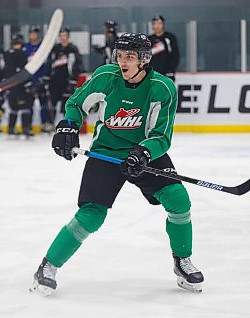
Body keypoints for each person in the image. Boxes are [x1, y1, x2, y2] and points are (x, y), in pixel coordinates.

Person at [31, 33, 203, 296]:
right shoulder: (106, 77)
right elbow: (76, 103)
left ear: (144, 60)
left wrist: (143, 152)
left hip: (145, 152)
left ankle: (182, 260)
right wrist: (68, 127)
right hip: (106, 152)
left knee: (178, 200)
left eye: (130, 57)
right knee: (92, 214)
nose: (123, 61)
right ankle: (48, 266)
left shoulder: (162, 87)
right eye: (120, 55)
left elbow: (161, 135)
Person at [45, 27, 83, 132]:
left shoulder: (72, 49)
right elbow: (49, 64)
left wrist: (74, 80)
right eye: (61, 36)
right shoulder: (55, 49)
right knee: (52, 102)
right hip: (54, 81)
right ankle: (50, 123)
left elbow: (78, 65)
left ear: (68, 37)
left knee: (66, 104)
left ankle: (65, 124)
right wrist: (46, 77)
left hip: (67, 81)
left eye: (65, 35)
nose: (63, 38)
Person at [5, 33, 33, 139]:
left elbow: (28, 69)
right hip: (13, 84)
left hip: (22, 84)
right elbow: (7, 70)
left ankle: (25, 128)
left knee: (25, 107)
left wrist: (29, 82)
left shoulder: (25, 54)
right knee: (14, 107)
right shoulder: (9, 54)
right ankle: (11, 129)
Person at [24, 25, 49, 135]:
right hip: (30, 80)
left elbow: (47, 64)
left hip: (41, 80)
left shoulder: (43, 47)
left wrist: (44, 77)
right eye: (31, 33)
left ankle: (45, 124)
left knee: (44, 104)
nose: (33, 35)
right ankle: (28, 125)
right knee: (29, 105)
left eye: (35, 33)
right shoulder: (26, 48)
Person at [148, 15, 179, 82]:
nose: (157, 26)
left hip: (167, 73)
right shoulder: (149, 39)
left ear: (163, 24)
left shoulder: (170, 37)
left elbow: (175, 55)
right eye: (155, 24)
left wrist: (171, 69)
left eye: (159, 23)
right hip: (152, 74)